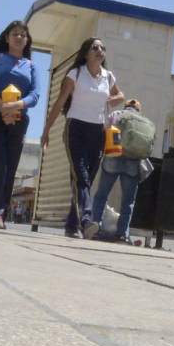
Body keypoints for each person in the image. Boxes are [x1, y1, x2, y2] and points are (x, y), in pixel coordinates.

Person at [40, 37, 125, 238]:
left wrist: (115, 99)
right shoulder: (75, 74)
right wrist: (46, 131)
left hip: (98, 132)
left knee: (84, 180)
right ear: (86, 53)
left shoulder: (108, 76)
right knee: (82, 177)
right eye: (95, 47)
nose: (100, 50)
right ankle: (86, 220)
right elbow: (60, 102)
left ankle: (71, 226)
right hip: (75, 128)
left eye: (103, 48)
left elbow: (120, 95)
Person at [0, 20, 39, 230]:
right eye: (15, 34)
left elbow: (35, 94)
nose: (19, 38)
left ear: (27, 40)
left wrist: (16, 105)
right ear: (7, 38)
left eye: (23, 35)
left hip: (18, 119)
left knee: (10, 165)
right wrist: (2, 106)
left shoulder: (31, 66)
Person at [91, 99, 152, 243]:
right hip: (133, 163)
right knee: (128, 201)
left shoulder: (116, 114)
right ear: (138, 110)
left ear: (126, 107)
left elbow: (104, 133)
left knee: (101, 195)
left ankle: (96, 229)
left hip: (113, 157)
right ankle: (122, 234)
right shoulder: (143, 121)